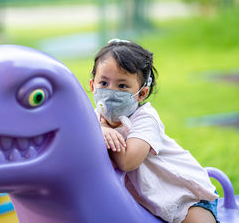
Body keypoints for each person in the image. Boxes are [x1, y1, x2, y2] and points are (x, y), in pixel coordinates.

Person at [89, 39, 219, 223]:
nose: (111, 91)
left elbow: (128, 161)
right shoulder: (92, 118)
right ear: (92, 85)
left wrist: (104, 132)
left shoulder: (145, 118)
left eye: (122, 86)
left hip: (183, 196)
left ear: (141, 93)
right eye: (103, 82)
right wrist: (100, 129)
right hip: (145, 204)